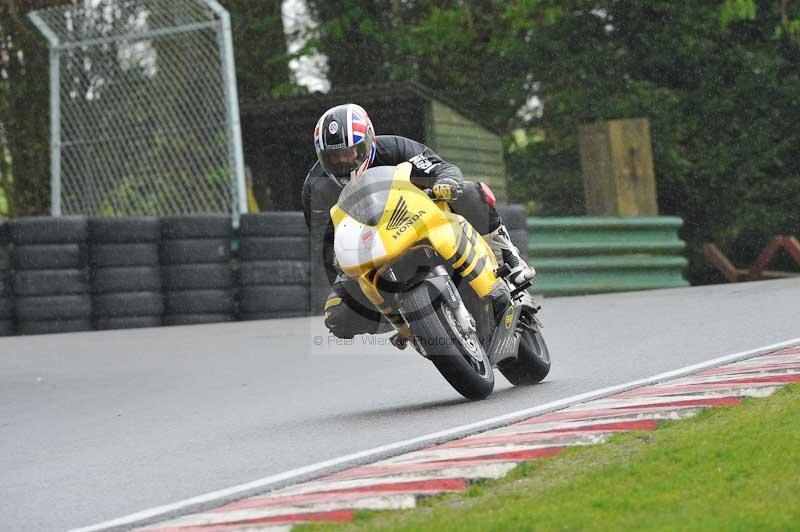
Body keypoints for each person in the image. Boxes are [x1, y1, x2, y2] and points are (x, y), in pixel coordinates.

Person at [302, 103, 534, 339]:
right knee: (337, 314)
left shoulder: (394, 147)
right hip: (372, 247)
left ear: (368, 142)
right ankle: (404, 321)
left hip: (419, 218)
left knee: (470, 192)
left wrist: (446, 183)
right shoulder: (315, 188)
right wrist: (337, 256)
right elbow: (323, 240)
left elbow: (442, 168)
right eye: (333, 157)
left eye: (349, 153)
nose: (343, 162)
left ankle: (511, 260)